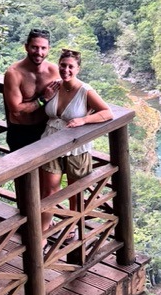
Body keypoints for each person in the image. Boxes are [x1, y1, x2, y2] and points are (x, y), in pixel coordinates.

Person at [40, 48, 112, 234]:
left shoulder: (85, 91)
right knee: (49, 193)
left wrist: (84, 120)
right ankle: (43, 232)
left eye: (70, 67)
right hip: (51, 144)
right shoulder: (54, 87)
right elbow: (44, 110)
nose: (66, 70)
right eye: (63, 65)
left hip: (76, 148)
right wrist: (44, 98)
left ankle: (72, 230)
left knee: (75, 194)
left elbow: (107, 113)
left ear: (78, 69)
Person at [3, 28, 60, 152]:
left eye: (43, 48)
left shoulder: (54, 71)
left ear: (49, 49)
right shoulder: (14, 73)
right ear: (26, 47)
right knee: (24, 170)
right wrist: (44, 99)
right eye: (34, 47)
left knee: (46, 169)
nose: (39, 52)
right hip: (21, 131)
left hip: (46, 128)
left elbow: (72, 92)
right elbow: (16, 110)